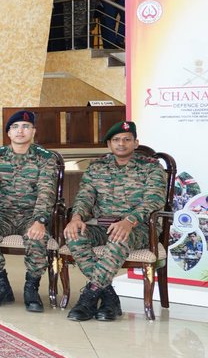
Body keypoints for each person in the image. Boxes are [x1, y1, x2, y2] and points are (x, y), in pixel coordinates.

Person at [62, 121, 167, 321]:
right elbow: (85, 198)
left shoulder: (151, 168)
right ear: (109, 144)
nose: (121, 144)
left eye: (127, 140)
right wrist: (76, 218)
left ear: (136, 143)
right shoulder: (96, 168)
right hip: (101, 225)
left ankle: (88, 297)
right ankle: (109, 298)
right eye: (116, 140)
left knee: (118, 238)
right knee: (74, 235)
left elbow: (154, 200)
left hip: (139, 228)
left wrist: (129, 221)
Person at [0, 111, 58, 313]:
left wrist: (40, 221)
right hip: (3, 214)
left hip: (32, 214)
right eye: (16, 127)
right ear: (9, 133)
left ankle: (32, 289)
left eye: (26, 127)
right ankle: (2, 286)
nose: (21, 131)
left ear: (33, 131)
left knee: (37, 237)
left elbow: (46, 192)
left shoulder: (45, 159)